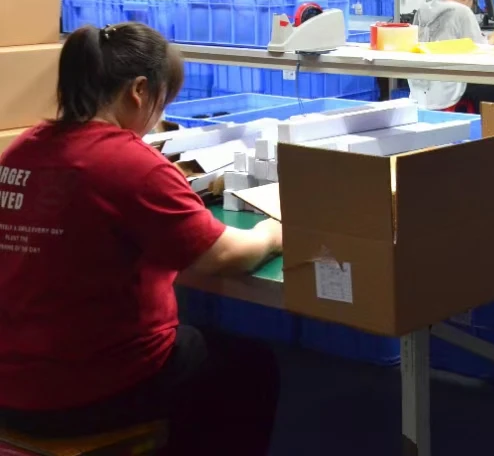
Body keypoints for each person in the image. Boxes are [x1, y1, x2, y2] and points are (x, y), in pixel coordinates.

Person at [0, 23, 282, 455]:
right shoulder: (129, 162)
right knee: (249, 368)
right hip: (83, 391)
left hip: (12, 382)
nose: (156, 120)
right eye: (160, 103)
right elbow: (222, 256)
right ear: (138, 90)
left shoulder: (19, 152)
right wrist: (271, 233)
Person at [408, 0, 494, 112]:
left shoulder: (423, 9)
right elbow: (479, 50)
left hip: (421, 85)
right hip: (449, 85)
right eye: (472, 3)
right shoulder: (462, 10)